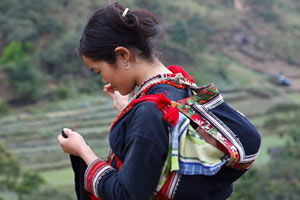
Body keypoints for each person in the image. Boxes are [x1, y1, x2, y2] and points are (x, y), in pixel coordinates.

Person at [58, 2, 261, 200]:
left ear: (123, 56)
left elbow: (126, 194)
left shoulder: (148, 112)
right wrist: (128, 108)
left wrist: (82, 151)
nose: (104, 80)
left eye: (99, 71)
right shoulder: (180, 84)